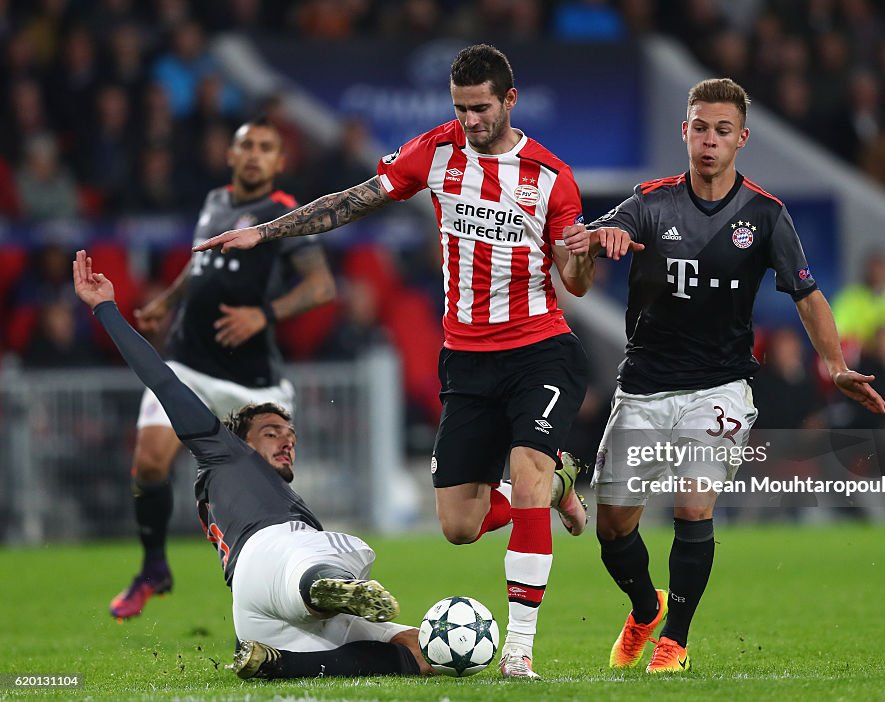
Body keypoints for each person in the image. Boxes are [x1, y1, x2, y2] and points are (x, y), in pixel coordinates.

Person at [194, 44, 638, 678]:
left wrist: (581, 252)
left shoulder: (550, 177)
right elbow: (352, 201)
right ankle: (562, 480)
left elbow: (577, 283)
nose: (470, 121)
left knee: (528, 478)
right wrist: (264, 232)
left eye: (481, 108)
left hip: (540, 348)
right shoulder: (435, 152)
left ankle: (518, 655)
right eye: (460, 108)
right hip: (466, 357)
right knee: (460, 524)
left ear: (509, 101)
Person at [563, 78, 885, 674]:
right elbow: (577, 277)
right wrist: (592, 246)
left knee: (693, 506)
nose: (709, 140)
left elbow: (808, 295)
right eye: (699, 127)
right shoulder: (646, 202)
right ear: (683, 131)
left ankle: (675, 643)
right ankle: (645, 610)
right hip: (643, 385)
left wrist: (836, 365)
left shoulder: (766, 215)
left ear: (741, 138)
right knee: (612, 528)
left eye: (721, 130)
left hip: (720, 387)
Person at [73, 250, 429, 680]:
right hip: (278, 559)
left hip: (253, 611)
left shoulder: (227, 485)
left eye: (291, 435)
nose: (287, 439)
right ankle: (322, 584)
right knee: (344, 547)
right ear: (240, 438)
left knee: (410, 649)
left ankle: (281, 662)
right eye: (272, 431)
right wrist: (107, 310)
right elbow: (163, 380)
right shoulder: (222, 450)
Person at [110, 117, 337, 620]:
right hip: (190, 361)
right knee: (149, 462)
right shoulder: (214, 201)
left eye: (266, 148)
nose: (255, 155)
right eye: (247, 146)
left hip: (251, 382)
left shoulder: (284, 214)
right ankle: (152, 568)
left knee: (266, 491)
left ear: (279, 162)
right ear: (232, 156)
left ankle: (292, 583)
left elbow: (322, 287)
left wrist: (265, 314)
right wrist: (168, 301)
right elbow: (200, 266)